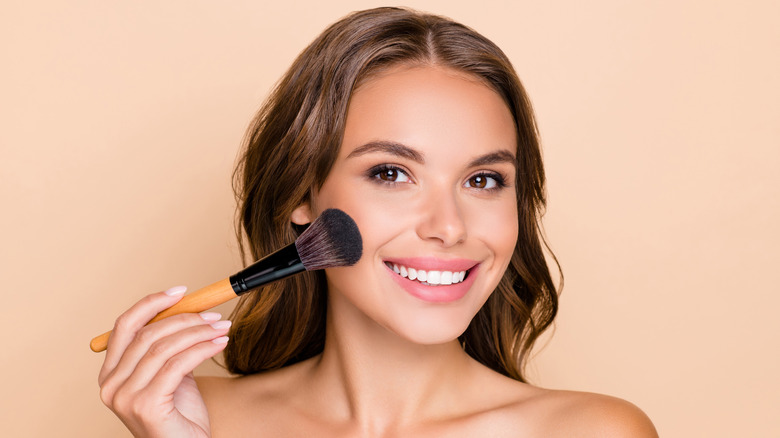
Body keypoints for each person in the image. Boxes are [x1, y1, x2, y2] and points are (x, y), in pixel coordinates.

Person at [97, 7, 658, 437]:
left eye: (484, 180)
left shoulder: (594, 432)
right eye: (391, 173)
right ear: (303, 195)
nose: (448, 227)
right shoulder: (197, 418)